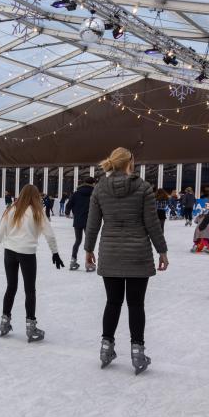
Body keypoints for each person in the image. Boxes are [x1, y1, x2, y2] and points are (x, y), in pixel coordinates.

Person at [84, 147, 168, 375]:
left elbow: (92, 224)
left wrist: (88, 249)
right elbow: (152, 223)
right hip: (138, 254)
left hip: (110, 252)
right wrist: (162, 250)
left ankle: (106, 346)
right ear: (130, 162)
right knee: (135, 304)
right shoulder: (143, 188)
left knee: (112, 302)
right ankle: (138, 351)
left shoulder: (100, 188)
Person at [0, 184, 63, 342]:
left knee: (11, 287)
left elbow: (0, 231)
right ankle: (30, 326)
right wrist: (55, 252)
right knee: (30, 290)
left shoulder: (12, 209)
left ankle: (4, 322)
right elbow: (50, 235)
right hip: (27, 254)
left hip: (10, 253)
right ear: (35, 196)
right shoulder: (37, 212)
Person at [64, 176, 95, 271]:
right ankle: (89, 263)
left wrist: (67, 212)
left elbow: (69, 205)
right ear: (93, 183)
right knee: (89, 242)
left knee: (78, 241)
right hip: (89, 221)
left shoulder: (76, 193)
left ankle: (73, 261)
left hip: (77, 220)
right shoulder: (94, 193)